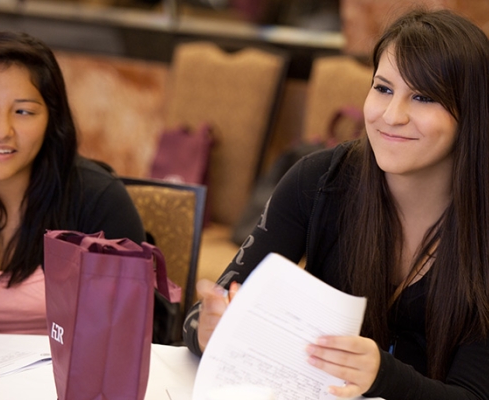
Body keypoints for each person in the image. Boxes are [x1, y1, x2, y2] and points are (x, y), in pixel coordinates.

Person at [183, 8, 489, 400]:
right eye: (383, 89)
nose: (392, 116)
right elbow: (197, 318)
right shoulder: (319, 181)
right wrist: (208, 331)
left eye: (423, 97)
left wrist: (384, 376)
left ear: (472, 115)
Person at [0, 31, 146, 334]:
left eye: (23, 111)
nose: (2, 130)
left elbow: (131, 333)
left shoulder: (97, 200)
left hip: (61, 380)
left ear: (51, 121)